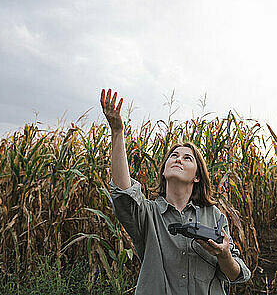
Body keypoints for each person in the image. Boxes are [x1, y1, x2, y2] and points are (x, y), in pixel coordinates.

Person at [100, 88, 251, 295]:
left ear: (197, 176)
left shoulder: (214, 217)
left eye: (187, 158)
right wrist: (117, 132)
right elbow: (123, 191)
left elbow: (237, 275)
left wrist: (224, 255)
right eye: (173, 156)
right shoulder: (148, 215)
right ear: (164, 171)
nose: (178, 159)